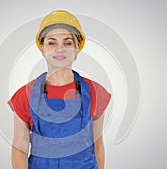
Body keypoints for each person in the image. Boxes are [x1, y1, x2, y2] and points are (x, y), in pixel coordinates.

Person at [8, 10, 111, 169]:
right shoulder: (25, 95)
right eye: (52, 42)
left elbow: (98, 146)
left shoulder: (95, 92)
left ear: (77, 48)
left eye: (68, 42)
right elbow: (20, 147)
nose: (60, 49)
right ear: (42, 48)